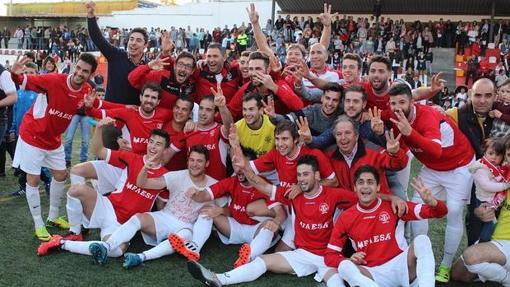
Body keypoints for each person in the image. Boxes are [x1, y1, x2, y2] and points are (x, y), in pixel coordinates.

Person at [187, 155, 357, 287]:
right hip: (303, 254)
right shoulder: (293, 194)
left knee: (336, 283)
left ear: (317, 175)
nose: (302, 179)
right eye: (299, 175)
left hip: (329, 257)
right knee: (263, 261)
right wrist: (245, 169)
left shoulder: (335, 195)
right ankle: (219, 279)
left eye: (306, 174)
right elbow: (263, 186)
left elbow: (365, 203)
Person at [36, 118, 170, 260]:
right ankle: (75, 233)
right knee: (75, 190)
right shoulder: (132, 159)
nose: (153, 147)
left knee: (116, 251)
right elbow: (99, 150)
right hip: (107, 207)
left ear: (165, 150)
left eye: (159, 144)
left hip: (123, 224)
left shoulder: (166, 177)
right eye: (151, 142)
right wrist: (99, 128)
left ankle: (62, 243)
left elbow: (161, 208)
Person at [385, 83, 475, 283]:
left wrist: (410, 132)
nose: (397, 107)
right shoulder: (393, 115)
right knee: (417, 210)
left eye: (402, 102)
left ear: (412, 102)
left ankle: (446, 264)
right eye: (393, 103)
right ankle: (420, 258)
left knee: (453, 210)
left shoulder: (426, 116)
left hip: (459, 164)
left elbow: (436, 150)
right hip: (433, 168)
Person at [9, 53, 97, 242]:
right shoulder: (53, 80)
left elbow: (87, 109)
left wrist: (90, 110)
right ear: (74, 66)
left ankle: (53, 216)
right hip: (33, 134)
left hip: (53, 139)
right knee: (33, 179)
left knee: (60, 175)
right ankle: (39, 224)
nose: (80, 73)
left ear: (90, 74)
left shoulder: (87, 89)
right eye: (79, 68)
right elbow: (24, 80)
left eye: (85, 71)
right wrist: (14, 74)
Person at [325, 165, 448, 287]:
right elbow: (330, 255)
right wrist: (350, 259)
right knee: (344, 267)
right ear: (355, 188)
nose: (365, 186)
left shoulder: (395, 206)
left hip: (401, 266)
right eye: (361, 182)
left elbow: (440, 212)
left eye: (370, 182)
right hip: (372, 273)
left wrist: (432, 202)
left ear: (378, 187)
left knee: (422, 240)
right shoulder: (346, 217)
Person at [169, 146, 286, 268]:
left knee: (267, 227)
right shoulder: (231, 181)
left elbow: (281, 213)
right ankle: (194, 248)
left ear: (253, 167)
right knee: (207, 210)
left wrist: (276, 222)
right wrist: (196, 194)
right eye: (236, 165)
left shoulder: (264, 185)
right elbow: (205, 195)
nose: (239, 170)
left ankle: (249, 256)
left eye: (243, 166)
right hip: (235, 226)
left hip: (256, 229)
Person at [86, 1, 149, 104]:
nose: (133, 43)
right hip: (110, 113)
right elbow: (98, 38)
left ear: (145, 45)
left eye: (138, 40)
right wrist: (91, 16)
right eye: (131, 39)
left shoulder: (149, 66)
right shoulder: (116, 55)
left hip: (132, 116)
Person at [168, 86, 233, 180]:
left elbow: (230, 127)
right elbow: (169, 153)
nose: (203, 113)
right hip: (192, 188)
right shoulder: (189, 129)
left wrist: (222, 106)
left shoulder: (219, 130)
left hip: (215, 189)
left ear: (216, 114)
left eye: (208, 110)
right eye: (201, 108)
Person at [227, 51, 304, 120]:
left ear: (268, 70)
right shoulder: (247, 88)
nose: (253, 73)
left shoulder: (278, 83)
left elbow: (299, 106)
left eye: (258, 69)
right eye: (251, 69)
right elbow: (232, 112)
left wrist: (274, 88)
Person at [469, 138, 510, 242]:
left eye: (497, 155)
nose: (493, 157)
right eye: (490, 153)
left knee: (490, 223)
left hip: (492, 201)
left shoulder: (499, 168)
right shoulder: (481, 167)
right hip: (485, 200)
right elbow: (486, 185)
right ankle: (481, 241)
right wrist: (505, 186)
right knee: (488, 223)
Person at [128, 49, 196, 109]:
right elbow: (132, 79)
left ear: (192, 71)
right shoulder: (160, 76)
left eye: (188, 66)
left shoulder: (192, 85)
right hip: (152, 120)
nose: (183, 69)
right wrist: (148, 66)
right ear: (174, 66)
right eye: (180, 64)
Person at [235, 93, 275, 157]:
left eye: (251, 109)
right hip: (247, 166)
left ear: (261, 110)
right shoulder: (237, 127)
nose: (247, 114)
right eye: (244, 109)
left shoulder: (273, 125)